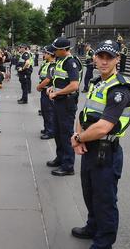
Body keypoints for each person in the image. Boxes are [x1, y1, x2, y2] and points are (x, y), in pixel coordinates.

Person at [70, 40, 130, 249]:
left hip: (106, 152)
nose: (104, 61)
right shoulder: (98, 82)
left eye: (110, 57)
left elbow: (104, 127)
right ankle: (93, 226)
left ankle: (103, 242)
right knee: (89, 192)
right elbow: (85, 113)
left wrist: (79, 139)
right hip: (90, 147)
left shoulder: (120, 89)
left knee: (105, 200)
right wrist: (77, 135)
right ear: (94, 58)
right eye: (101, 57)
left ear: (118, 59)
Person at [47, 36, 82, 176]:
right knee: (57, 131)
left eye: (56, 50)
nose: (53, 51)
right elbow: (59, 80)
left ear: (63, 50)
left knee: (66, 133)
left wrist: (57, 93)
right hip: (59, 101)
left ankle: (68, 165)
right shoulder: (60, 60)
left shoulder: (71, 62)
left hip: (66, 102)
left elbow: (74, 85)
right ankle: (60, 157)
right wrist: (52, 88)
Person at [37, 45, 56, 140]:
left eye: (45, 53)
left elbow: (48, 79)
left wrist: (39, 86)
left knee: (49, 111)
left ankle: (50, 131)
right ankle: (46, 128)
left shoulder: (52, 65)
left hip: (48, 91)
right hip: (44, 90)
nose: (44, 54)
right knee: (44, 111)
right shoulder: (47, 63)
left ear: (50, 54)